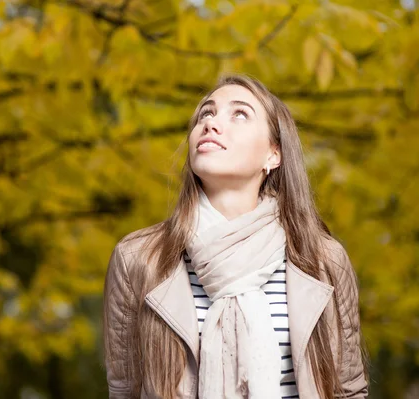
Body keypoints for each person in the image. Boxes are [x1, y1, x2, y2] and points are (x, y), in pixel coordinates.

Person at [103, 74, 369, 399]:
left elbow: (348, 390)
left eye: (239, 114)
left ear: (273, 154)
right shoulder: (138, 260)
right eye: (206, 113)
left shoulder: (322, 260)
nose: (212, 124)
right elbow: (124, 391)